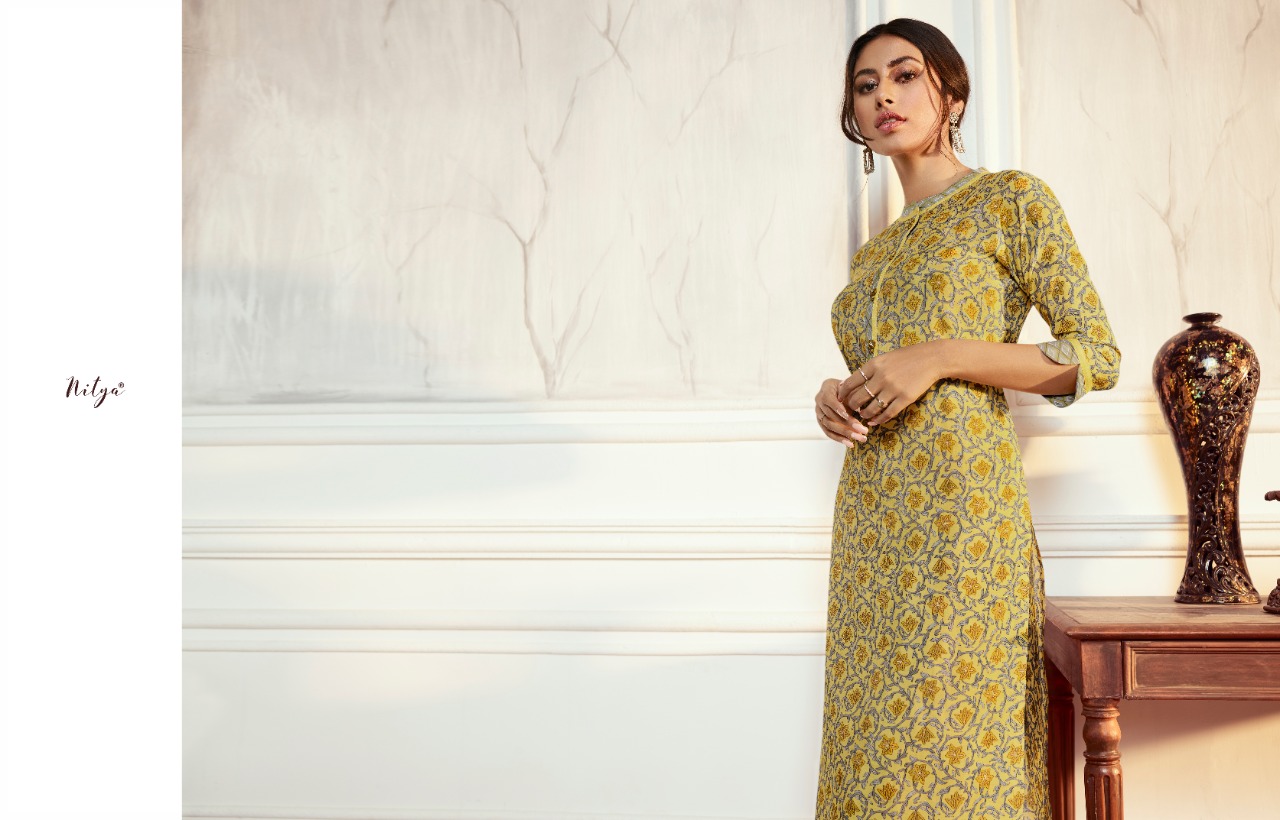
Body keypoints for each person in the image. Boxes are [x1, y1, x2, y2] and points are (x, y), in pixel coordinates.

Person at [811, 18, 1120, 820]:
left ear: (950, 92)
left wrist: (943, 354)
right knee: (871, 753)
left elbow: (1094, 353)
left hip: (963, 520)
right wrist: (835, 395)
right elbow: (886, 372)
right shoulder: (872, 257)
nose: (883, 96)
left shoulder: (1009, 200)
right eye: (866, 86)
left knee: (959, 744)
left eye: (904, 75)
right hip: (873, 525)